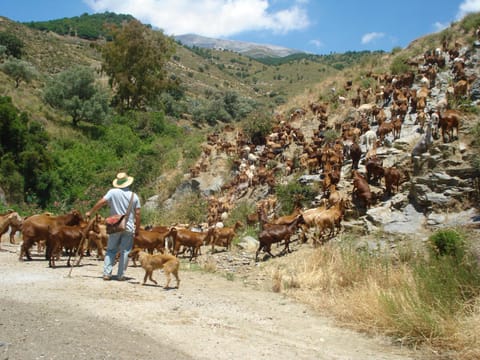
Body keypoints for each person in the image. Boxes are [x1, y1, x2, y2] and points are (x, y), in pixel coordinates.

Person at [86, 172, 141, 281]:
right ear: (128, 182)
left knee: (111, 249)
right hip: (128, 226)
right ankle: (121, 275)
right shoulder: (134, 196)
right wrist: (137, 228)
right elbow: (138, 214)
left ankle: (107, 274)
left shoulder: (112, 192)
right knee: (125, 251)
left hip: (115, 225)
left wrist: (91, 211)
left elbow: (102, 202)